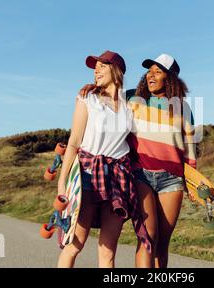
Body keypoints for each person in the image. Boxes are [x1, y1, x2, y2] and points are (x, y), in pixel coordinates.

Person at [80, 53, 197, 268]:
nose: (150, 76)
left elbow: (190, 150)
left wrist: (193, 181)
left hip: (172, 179)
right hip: (140, 174)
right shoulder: (133, 98)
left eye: (157, 72)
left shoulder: (184, 109)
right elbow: (110, 94)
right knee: (147, 237)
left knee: (163, 242)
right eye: (149, 71)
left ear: (169, 78)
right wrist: (95, 86)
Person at [56, 50, 152, 268]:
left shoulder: (130, 107)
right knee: (74, 244)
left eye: (102, 65)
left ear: (116, 70)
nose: (96, 70)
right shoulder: (88, 98)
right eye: (95, 66)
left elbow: (142, 140)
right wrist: (62, 183)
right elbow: (74, 142)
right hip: (87, 176)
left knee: (108, 251)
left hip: (118, 179)